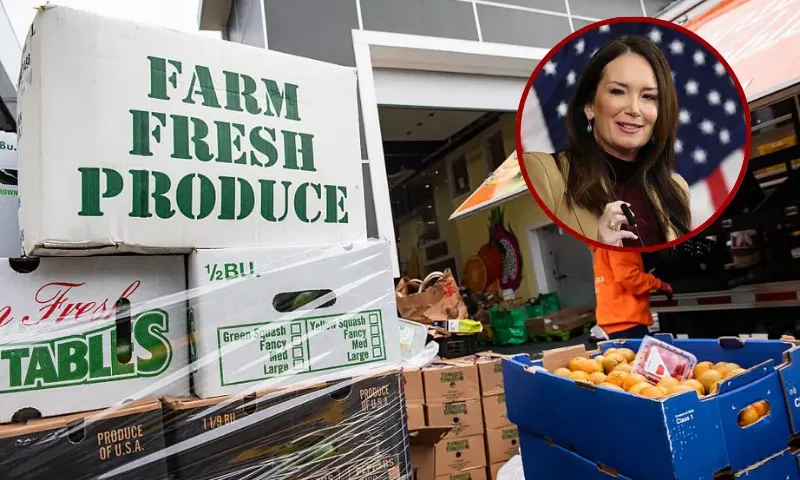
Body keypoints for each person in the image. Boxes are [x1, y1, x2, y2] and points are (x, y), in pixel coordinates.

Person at [523, 35, 691, 247]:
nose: (634, 109)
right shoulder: (546, 173)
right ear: (590, 106)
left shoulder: (676, 188)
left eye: (648, 97)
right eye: (618, 91)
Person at [591, 246, 673, 339]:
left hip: (614, 318)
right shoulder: (619, 242)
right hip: (627, 321)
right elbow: (629, 277)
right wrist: (660, 284)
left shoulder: (602, 244)